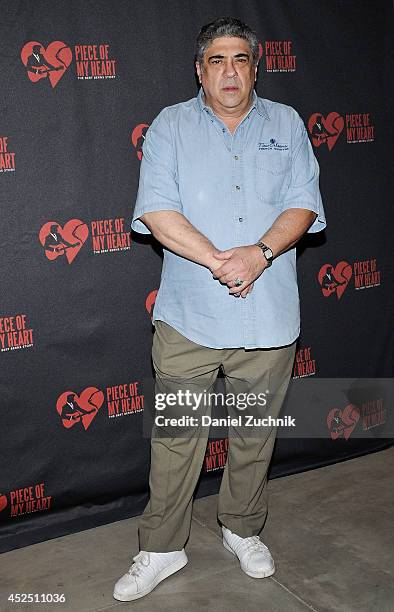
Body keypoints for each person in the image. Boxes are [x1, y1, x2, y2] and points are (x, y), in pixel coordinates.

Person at [114, 17, 326, 602]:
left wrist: (258, 255)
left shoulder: (285, 124)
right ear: (199, 70)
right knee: (178, 435)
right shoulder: (170, 127)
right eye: (216, 60)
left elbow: (304, 203)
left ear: (256, 66)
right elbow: (156, 209)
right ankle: (161, 547)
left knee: (254, 435)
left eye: (241, 59)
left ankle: (242, 528)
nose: (229, 71)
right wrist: (218, 260)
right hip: (190, 316)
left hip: (269, 315)